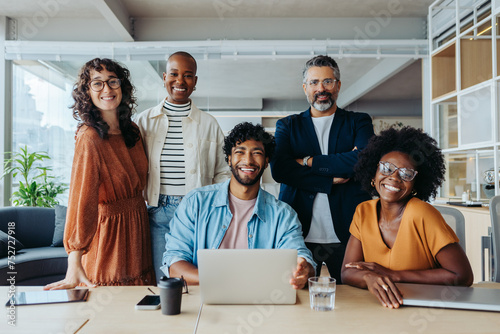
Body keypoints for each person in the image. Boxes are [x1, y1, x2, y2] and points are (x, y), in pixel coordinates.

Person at [164, 122, 316, 289]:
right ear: (229, 159)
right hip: (203, 302)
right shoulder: (196, 203)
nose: (248, 160)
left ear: (266, 162)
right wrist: (223, 281)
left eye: (257, 153)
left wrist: (304, 269)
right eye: (240, 152)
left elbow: (301, 257)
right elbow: (175, 263)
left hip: (259, 301)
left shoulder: (283, 215)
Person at [45, 58, 154, 289]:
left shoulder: (132, 131)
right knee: (110, 308)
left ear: (122, 87)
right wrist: (75, 256)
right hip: (110, 235)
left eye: (112, 81)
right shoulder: (89, 137)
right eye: (97, 83)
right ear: (87, 91)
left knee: (139, 306)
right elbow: (81, 199)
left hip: (137, 227)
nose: (107, 89)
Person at [341, 126, 474, 308]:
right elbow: (347, 272)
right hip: (380, 308)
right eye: (386, 168)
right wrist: (369, 277)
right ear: (374, 172)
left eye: (406, 174)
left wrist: (393, 275)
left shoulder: (422, 213)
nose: (394, 177)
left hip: (424, 308)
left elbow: (462, 276)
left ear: (416, 184)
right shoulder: (363, 211)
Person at [271, 55, 374, 282]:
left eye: (328, 81)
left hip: (350, 232)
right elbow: (280, 170)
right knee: (296, 296)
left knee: (355, 298)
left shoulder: (359, 121)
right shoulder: (287, 125)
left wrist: (307, 162)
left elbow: (364, 161)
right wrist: (328, 180)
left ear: (338, 85)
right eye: (314, 83)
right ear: (305, 88)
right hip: (298, 232)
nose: (321, 88)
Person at [135, 51, 230, 281]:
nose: (180, 81)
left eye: (188, 75)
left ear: (195, 82)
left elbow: (223, 173)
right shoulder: (143, 121)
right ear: (165, 77)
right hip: (159, 212)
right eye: (174, 74)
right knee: (166, 281)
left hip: (199, 211)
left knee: (199, 279)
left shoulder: (209, 124)